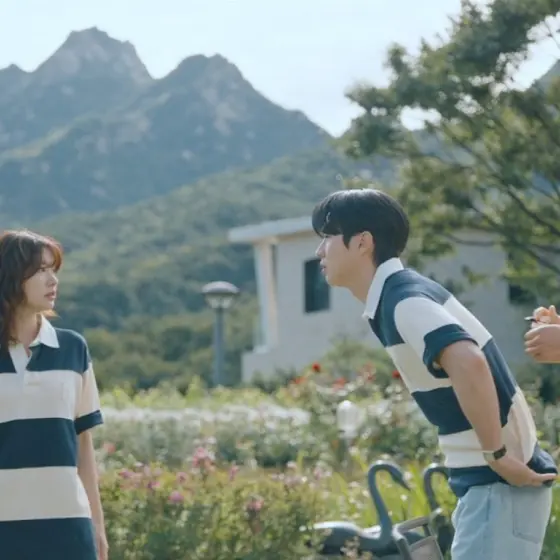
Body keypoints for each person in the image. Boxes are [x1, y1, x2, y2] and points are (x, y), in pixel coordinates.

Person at [311, 188, 557, 560]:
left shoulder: (403, 300)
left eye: (328, 236)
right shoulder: (402, 294)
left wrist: (497, 456)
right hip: (494, 488)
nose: (319, 251)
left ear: (362, 242)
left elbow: (468, 361)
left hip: (498, 486)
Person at [0, 229, 108, 560]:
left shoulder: (73, 348)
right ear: (11, 276)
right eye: (41, 270)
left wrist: (97, 527)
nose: (53, 280)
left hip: (69, 531)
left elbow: (83, 445)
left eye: (54, 270)